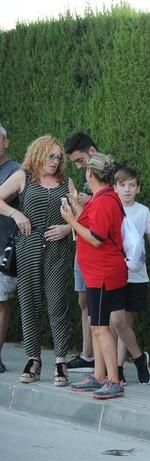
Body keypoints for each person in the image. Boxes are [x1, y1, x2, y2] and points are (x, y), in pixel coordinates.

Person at [0, 135, 73, 386]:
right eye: (51, 156)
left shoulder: (66, 182)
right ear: (39, 153)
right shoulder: (24, 176)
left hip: (57, 251)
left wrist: (67, 229)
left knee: (57, 304)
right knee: (28, 303)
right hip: (28, 247)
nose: (55, 161)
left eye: (59, 157)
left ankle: (61, 361)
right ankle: (33, 359)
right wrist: (15, 213)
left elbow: (81, 217)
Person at [61, 153, 127, 399]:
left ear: (90, 174)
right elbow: (91, 226)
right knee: (96, 324)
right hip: (97, 272)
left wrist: (69, 219)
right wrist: (77, 207)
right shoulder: (104, 198)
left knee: (100, 328)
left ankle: (113, 380)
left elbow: (96, 238)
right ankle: (100, 376)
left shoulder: (104, 201)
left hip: (102, 272)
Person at [112, 166, 150, 385]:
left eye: (132, 185)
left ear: (138, 188)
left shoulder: (143, 211)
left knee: (125, 323)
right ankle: (138, 358)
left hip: (137, 274)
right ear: (115, 187)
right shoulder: (110, 208)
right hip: (114, 272)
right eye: (123, 185)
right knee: (116, 321)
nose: (127, 190)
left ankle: (119, 368)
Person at [63, 132, 97, 373]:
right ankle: (87, 355)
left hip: (99, 249)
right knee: (83, 300)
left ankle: (108, 362)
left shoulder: (111, 174)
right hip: (82, 246)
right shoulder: (87, 176)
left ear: (92, 152)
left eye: (79, 160)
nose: (77, 165)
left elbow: (114, 207)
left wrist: (87, 201)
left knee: (103, 307)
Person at [0, 123, 22, 374]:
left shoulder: (16, 171)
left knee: (1, 302)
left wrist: (14, 213)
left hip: (3, 247)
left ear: (6, 142)